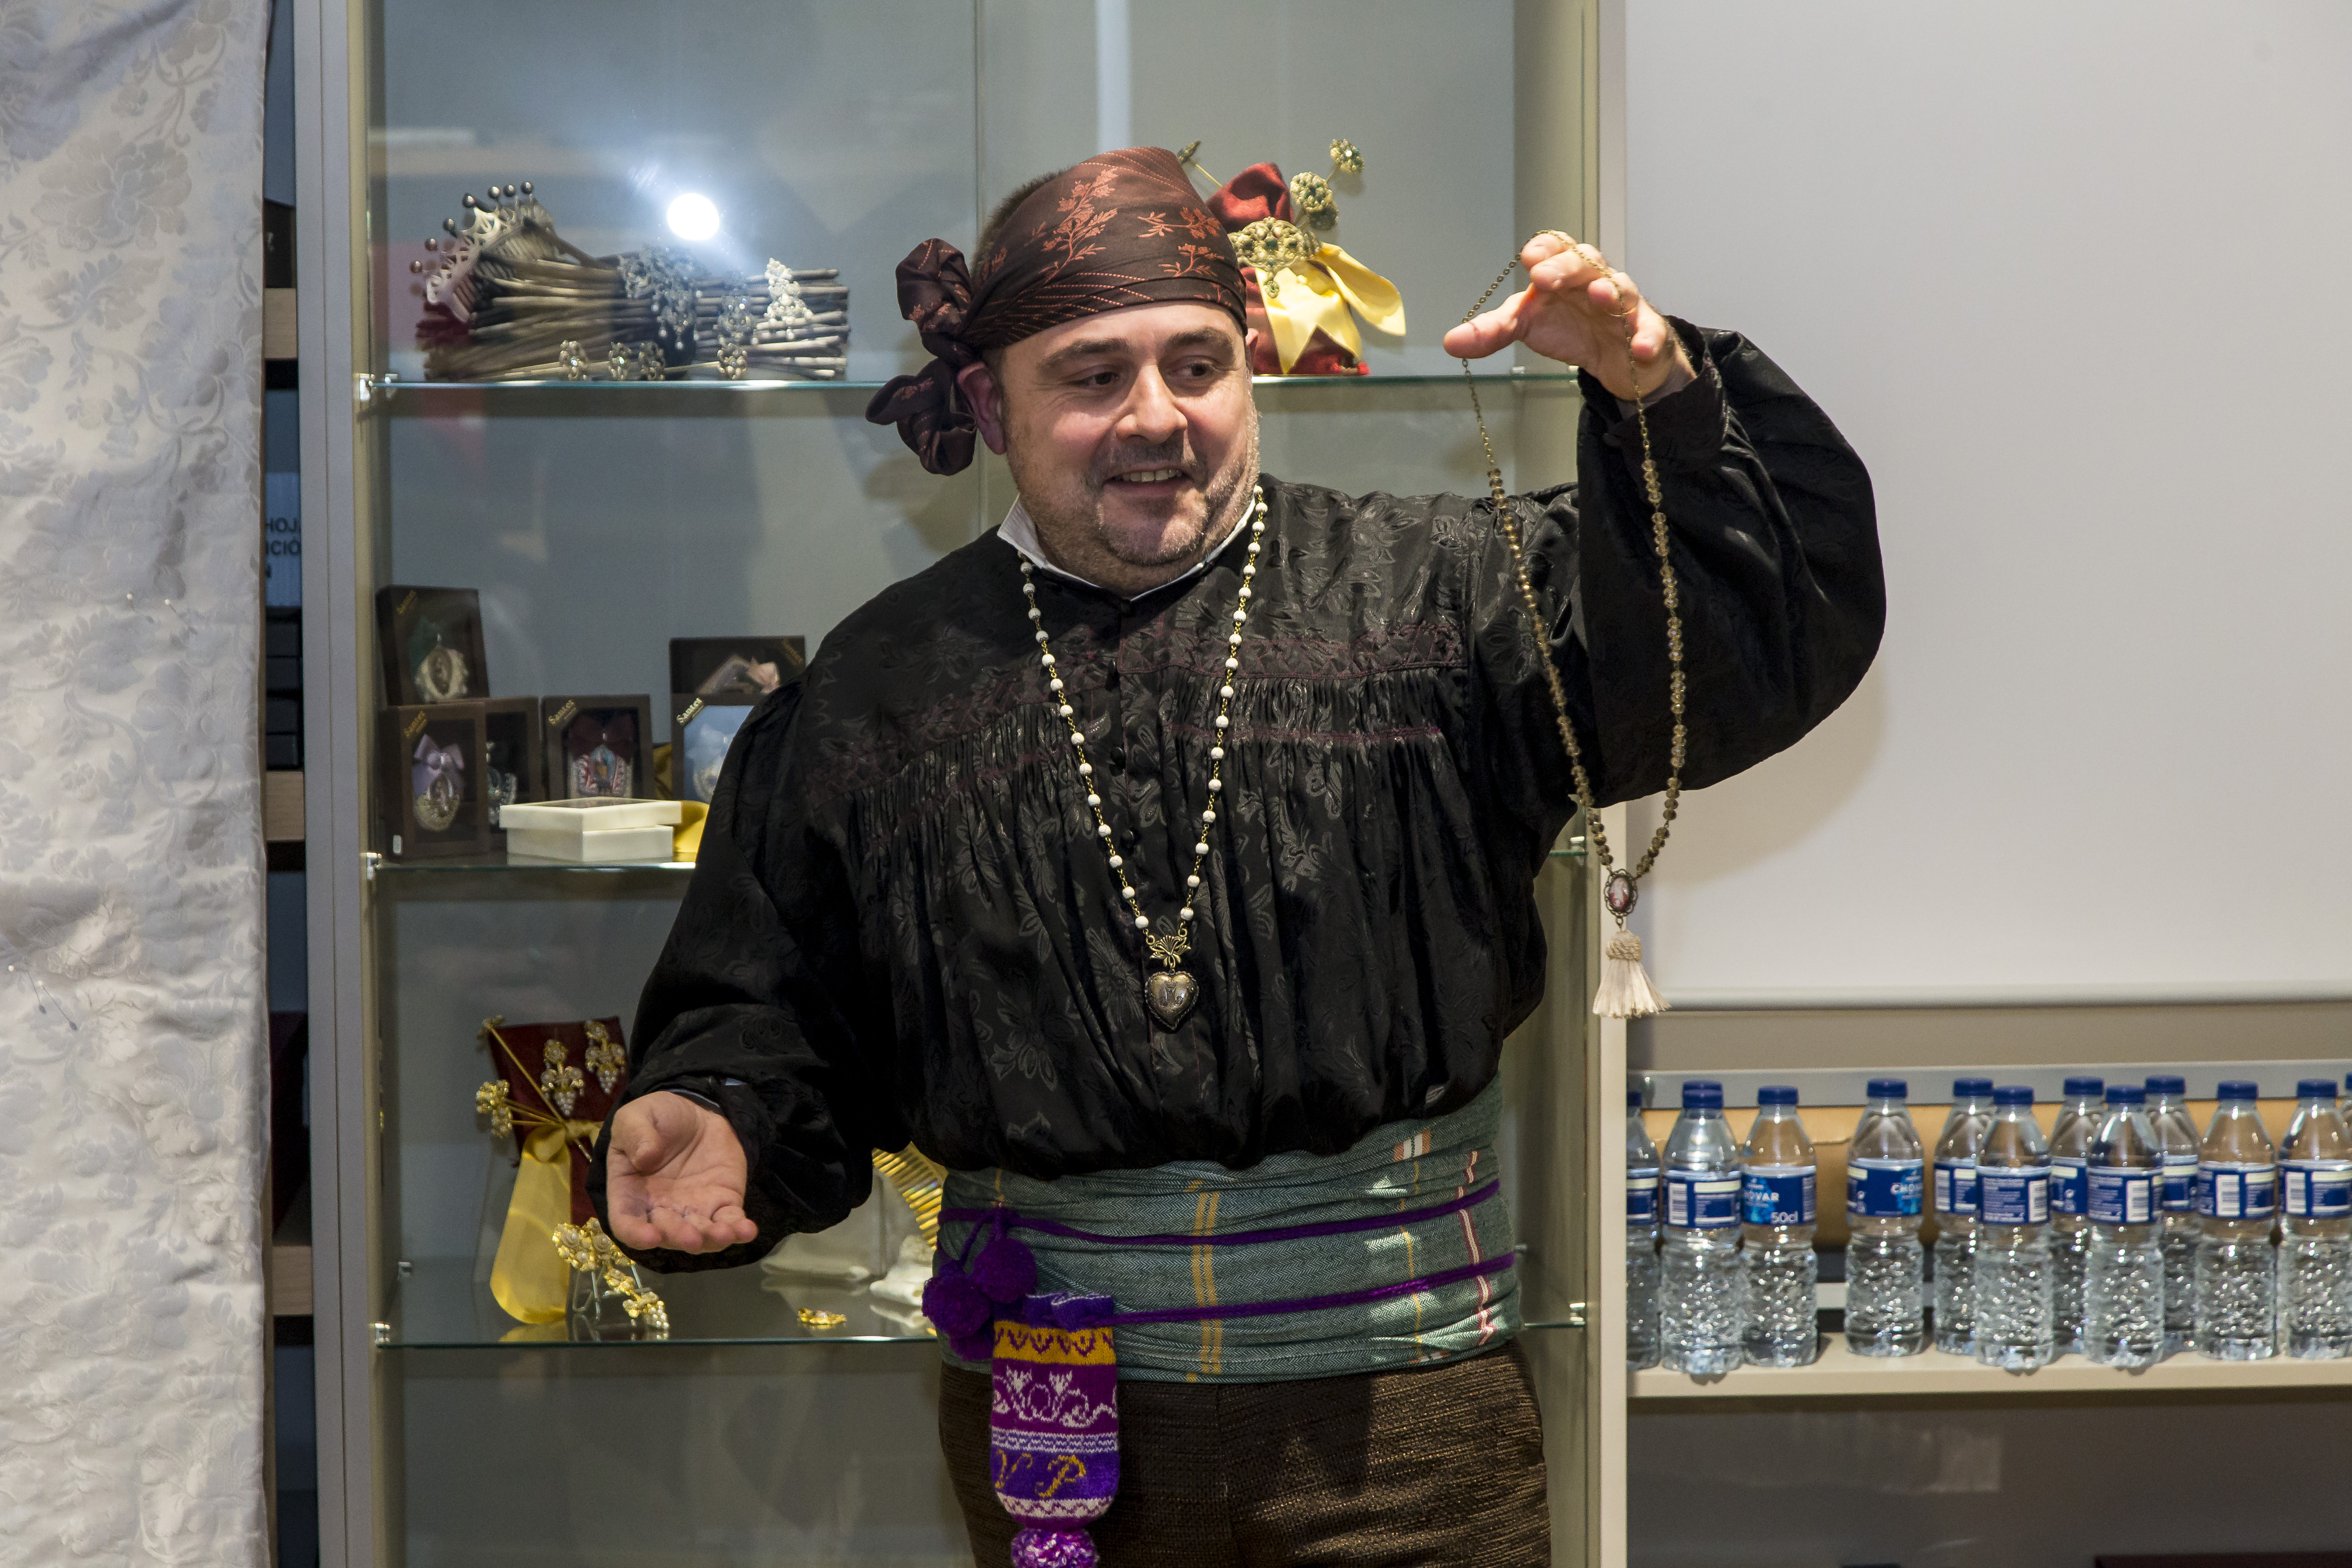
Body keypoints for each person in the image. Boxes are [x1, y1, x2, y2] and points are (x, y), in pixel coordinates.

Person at [591, 146, 1882, 1565]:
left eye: (1196, 366)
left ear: (1249, 367)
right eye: (1093, 377)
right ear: (991, 406)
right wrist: (724, 1115)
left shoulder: (1445, 598)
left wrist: (1657, 397)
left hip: (1412, 1441)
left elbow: (1743, 642)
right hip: (1048, 1439)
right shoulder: (881, 687)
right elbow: (781, 1008)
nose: (1157, 417)